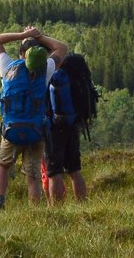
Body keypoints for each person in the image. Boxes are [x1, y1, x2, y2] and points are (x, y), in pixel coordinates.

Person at [0, 25, 67, 209]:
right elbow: (62, 48)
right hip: (36, 130)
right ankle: (35, 210)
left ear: (21, 53)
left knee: (3, 165)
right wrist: (39, 36)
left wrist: (23, 35)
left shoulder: (7, 68)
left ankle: (0, 201)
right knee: (32, 176)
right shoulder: (46, 70)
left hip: (11, 129)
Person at [43, 50, 94, 202]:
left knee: (54, 172)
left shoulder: (54, 75)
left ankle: (57, 210)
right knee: (74, 170)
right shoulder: (76, 74)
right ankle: (82, 205)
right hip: (74, 124)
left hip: (54, 127)